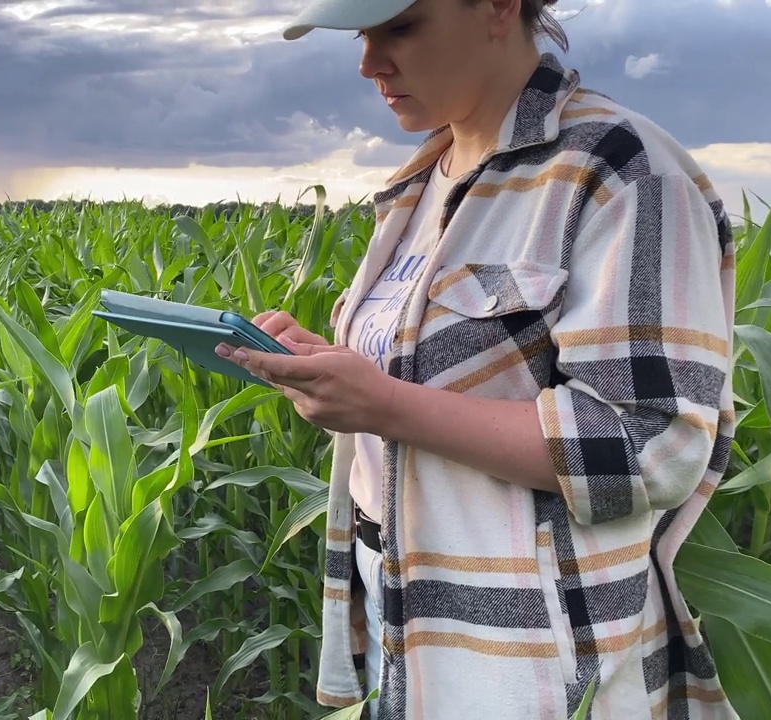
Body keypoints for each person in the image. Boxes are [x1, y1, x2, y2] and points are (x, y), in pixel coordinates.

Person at [214, 0, 740, 717]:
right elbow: (432, 388)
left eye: (399, 27)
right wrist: (326, 370)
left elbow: (652, 445)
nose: (369, 63)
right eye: (363, 35)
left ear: (497, 7)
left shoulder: (621, 172)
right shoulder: (422, 182)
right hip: (401, 622)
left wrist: (384, 403)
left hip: (526, 664)